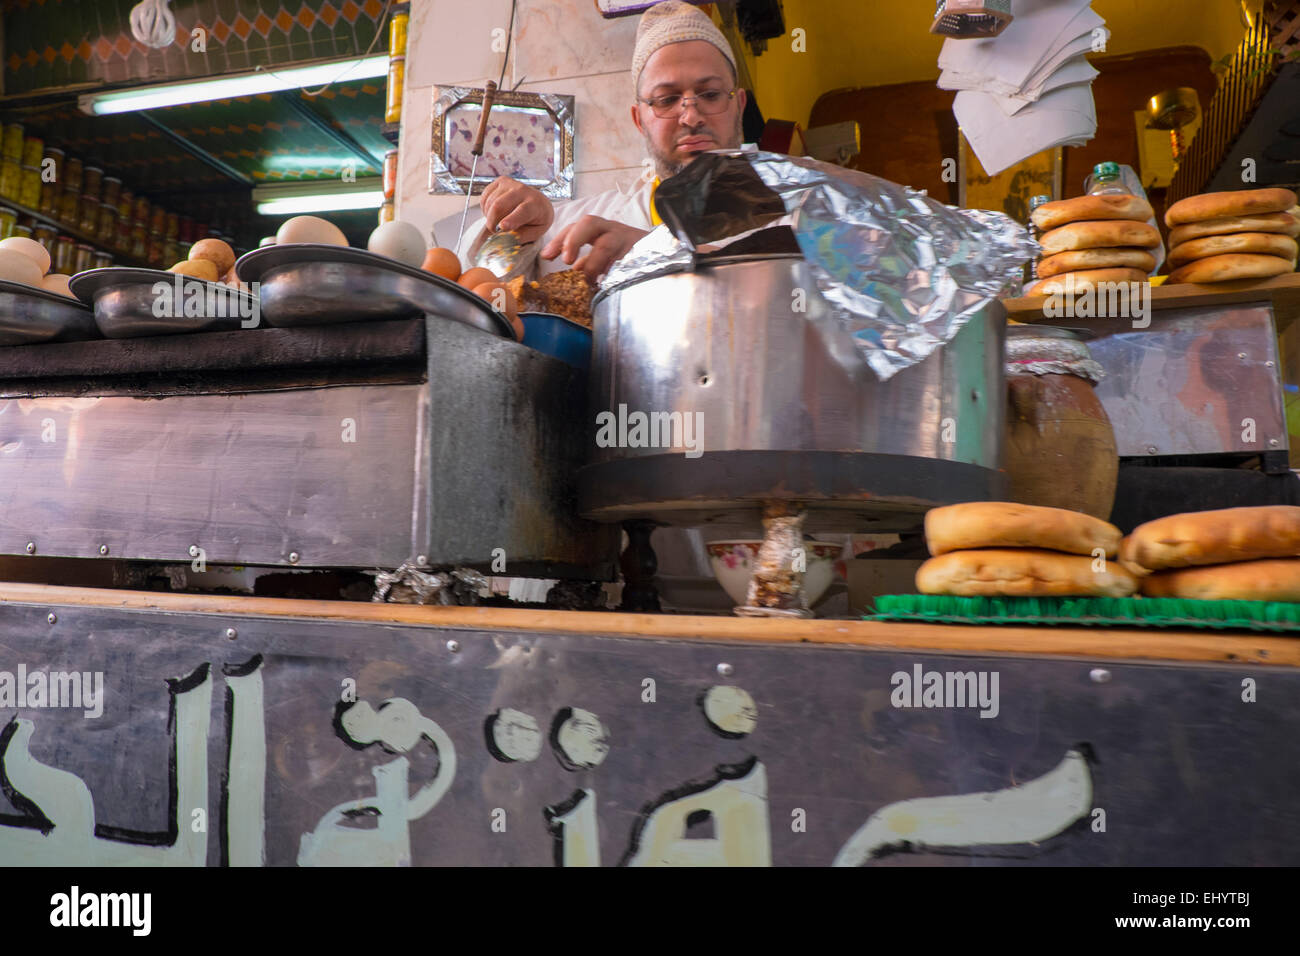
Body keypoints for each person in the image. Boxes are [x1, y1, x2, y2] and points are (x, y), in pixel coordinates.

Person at [457, 0, 748, 281]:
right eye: (667, 99)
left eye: (710, 94)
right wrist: (516, 229)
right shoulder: (578, 229)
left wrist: (650, 251)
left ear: (740, 105)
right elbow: (476, 285)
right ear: (639, 121)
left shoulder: (791, 214)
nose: (690, 116)